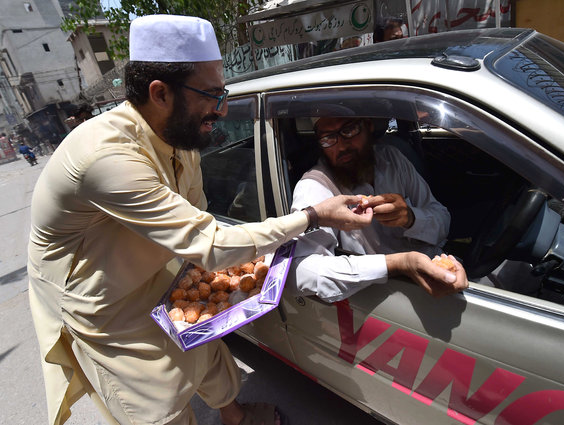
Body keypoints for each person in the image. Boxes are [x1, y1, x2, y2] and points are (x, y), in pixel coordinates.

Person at [27, 15, 373, 425]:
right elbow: (208, 242)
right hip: (103, 300)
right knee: (155, 403)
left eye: (222, 92)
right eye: (211, 94)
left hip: (162, 264)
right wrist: (313, 216)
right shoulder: (105, 157)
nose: (222, 108)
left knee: (204, 345)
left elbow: (197, 218)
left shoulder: (180, 137)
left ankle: (236, 416)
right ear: (160, 93)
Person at [289, 116, 468, 302]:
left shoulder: (392, 159)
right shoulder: (316, 186)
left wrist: (411, 218)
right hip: (388, 300)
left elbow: (443, 220)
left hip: (443, 271)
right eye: (328, 139)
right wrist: (397, 264)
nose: (341, 146)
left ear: (368, 125)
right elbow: (299, 272)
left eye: (349, 130)